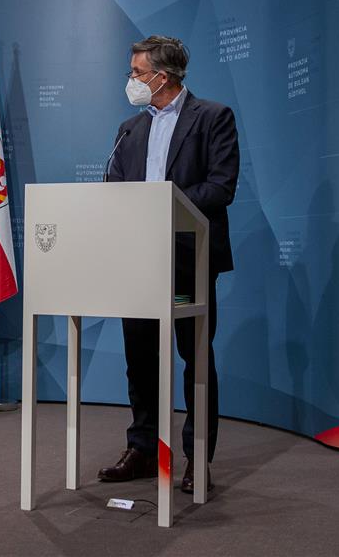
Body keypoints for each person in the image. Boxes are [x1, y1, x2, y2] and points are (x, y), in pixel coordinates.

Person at [99, 35, 239, 494]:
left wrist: (162, 204)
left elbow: (220, 187)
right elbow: (115, 190)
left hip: (186, 262)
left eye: (137, 72)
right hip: (138, 262)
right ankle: (142, 449)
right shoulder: (129, 129)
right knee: (139, 359)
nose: (132, 80)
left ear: (163, 76)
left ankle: (197, 456)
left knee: (194, 357)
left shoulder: (213, 117)